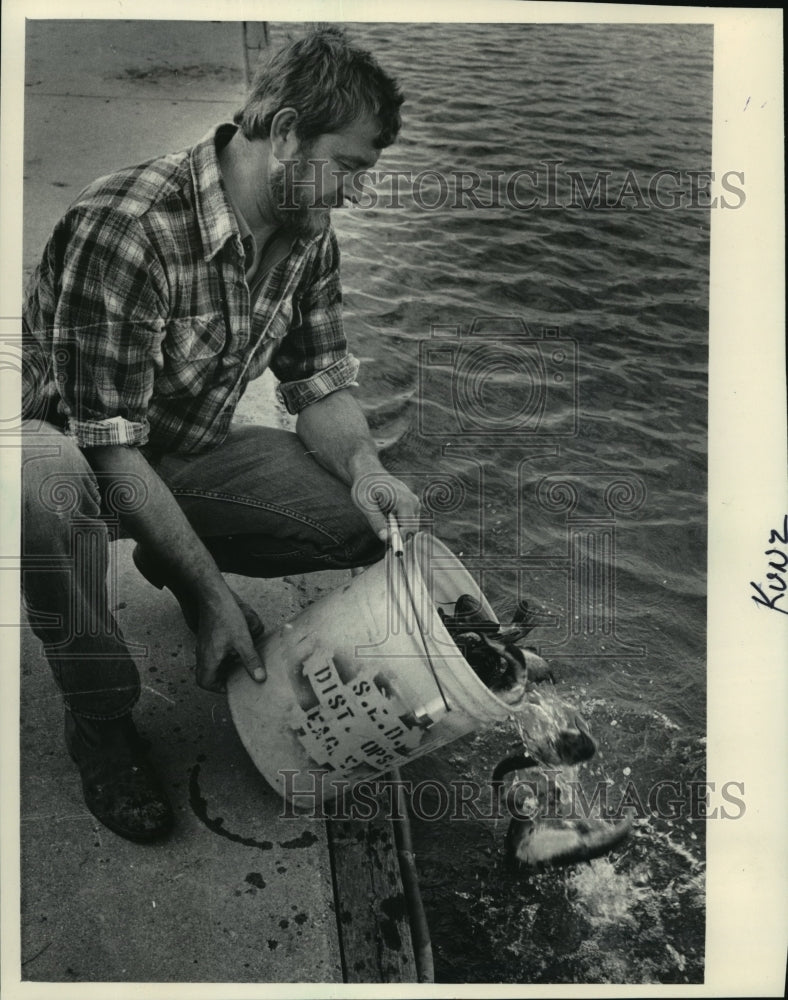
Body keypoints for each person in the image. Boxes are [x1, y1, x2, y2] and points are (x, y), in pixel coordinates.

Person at [21, 26, 420, 843]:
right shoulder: (130, 225)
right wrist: (213, 596)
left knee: (358, 519)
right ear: (281, 131)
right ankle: (100, 718)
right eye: (347, 167)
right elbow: (107, 446)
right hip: (79, 448)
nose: (353, 193)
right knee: (41, 490)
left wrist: (368, 468)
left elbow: (319, 381)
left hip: (178, 448)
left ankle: (170, 553)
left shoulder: (307, 232)